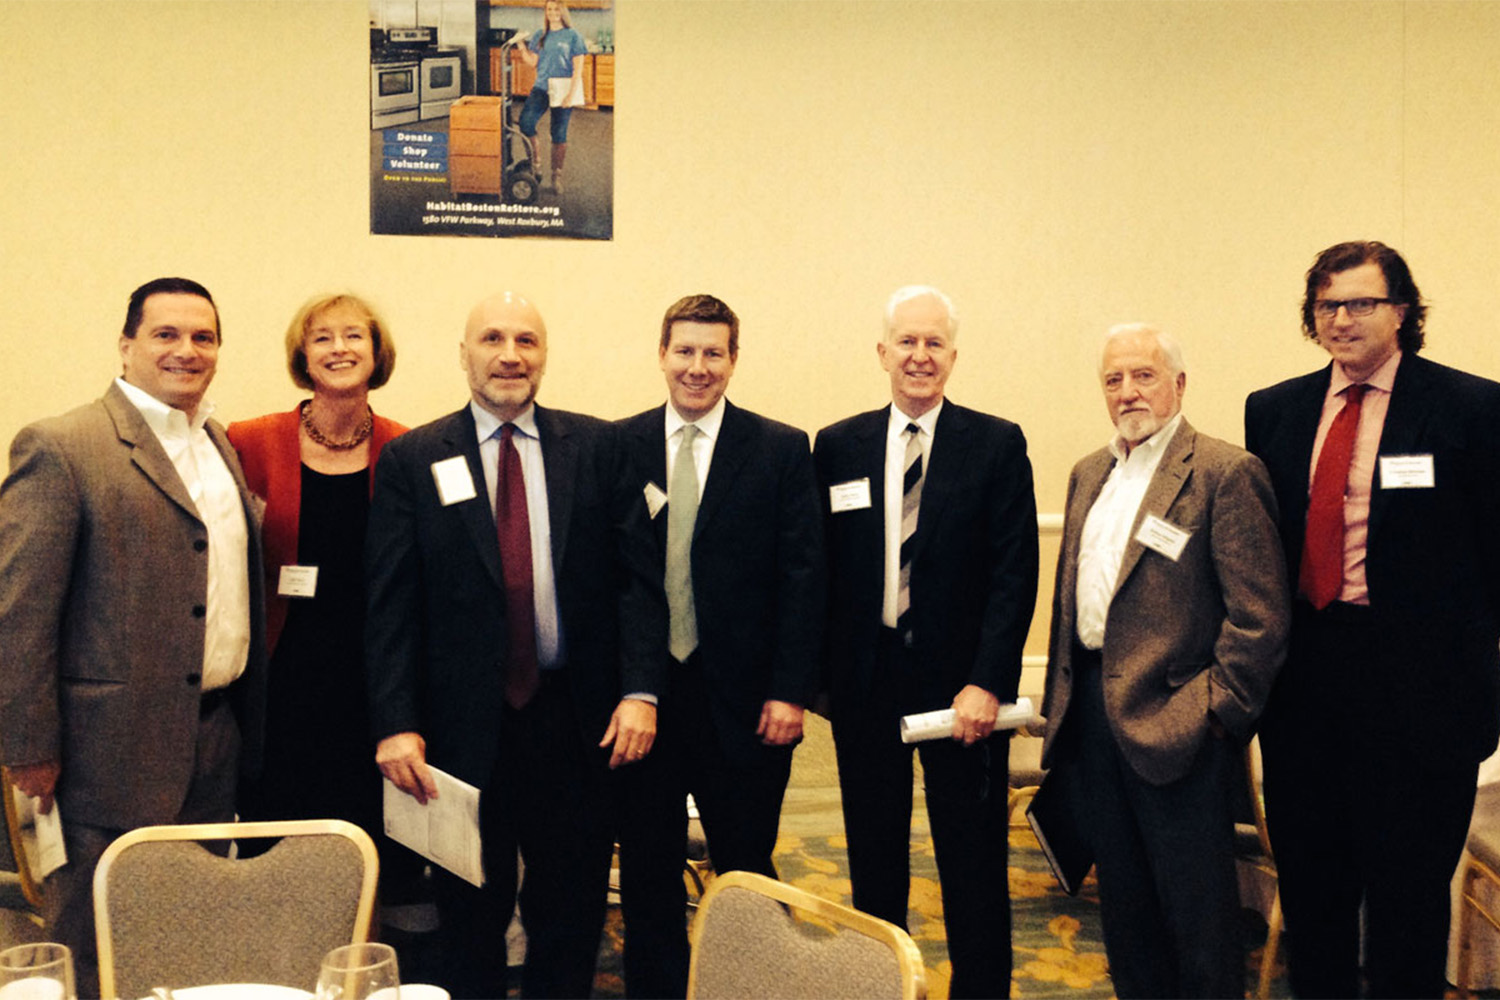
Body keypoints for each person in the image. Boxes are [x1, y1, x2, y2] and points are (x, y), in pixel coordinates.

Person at [366, 291, 665, 999]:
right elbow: (390, 607)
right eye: (492, 339)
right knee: (470, 913)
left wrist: (640, 691)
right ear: (463, 354)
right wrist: (395, 723)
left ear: (544, 355)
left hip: (576, 721)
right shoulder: (414, 458)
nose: (509, 355)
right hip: (458, 731)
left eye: (526, 341)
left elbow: (639, 586)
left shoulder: (598, 448)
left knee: (570, 908)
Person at [1245, 241, 1500, 998]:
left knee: (1406, 912)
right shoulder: (1276, 409)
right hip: (1306, 694)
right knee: (1316, 906)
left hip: (1421, 704)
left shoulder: (1473, 408)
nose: (1343, 319)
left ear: (1403, 311)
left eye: (1362, 303)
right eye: (1328, 305)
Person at [0, 277, 267, 996]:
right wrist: (27, 750)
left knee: (186, 945)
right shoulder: (62, 446)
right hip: (100, 758)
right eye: (166, 334)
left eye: (203, 337)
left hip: (212, 745)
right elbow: (19, 613)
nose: (186, 350)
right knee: (92, 952)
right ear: (126, 344)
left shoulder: (220, 444)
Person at [1040, 323, 1290, 998]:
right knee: (1122, 906)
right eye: (1114, 379)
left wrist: (1213, 715)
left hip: (1179, 721)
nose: (1128, 391)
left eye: (1143, 375)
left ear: (1179, 383)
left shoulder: (1223, 472)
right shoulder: (1088, 472)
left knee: (1197, 915)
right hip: (1094, 715)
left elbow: (1260, 617)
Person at [814, 285, 1039, 999]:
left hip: (962, 693)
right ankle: (882, 987)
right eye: (906, 342)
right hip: (867, 685)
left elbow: (1015, 574)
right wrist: (823, 680)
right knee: (873, 859)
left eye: (934, 343)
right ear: (881, 352)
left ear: (952, 356)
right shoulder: (838, 444)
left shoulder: (996, 444)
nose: (919, 355)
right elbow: (820, 570)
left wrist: (988, 681)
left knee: (971, 863)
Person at [615, 294, 825, 998]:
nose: (697, 368)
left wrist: (791, 690)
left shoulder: (780, 449)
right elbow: (613, 580)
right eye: (685, 351)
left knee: (744, 870)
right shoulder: (621, 446)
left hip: (749, 705)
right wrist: (629, 689)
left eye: (713, 353)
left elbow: (805, 581)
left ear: (733, 360)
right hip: (648, 702)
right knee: (648, 868)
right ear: (662, 354)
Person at [226, 294, 406, 848]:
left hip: (372, 680)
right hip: (280, 679)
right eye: (322, 337)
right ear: (302, 355)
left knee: (366, 839)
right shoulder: (248, 441)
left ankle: (361, 937)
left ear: (377, 352)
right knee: (277, 838)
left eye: (354, 335)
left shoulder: (407, 448)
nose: (339, 348)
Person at [517, 0, 588, 194]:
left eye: (556, 9)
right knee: (525, 123)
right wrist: (521, 46)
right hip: (541, 88)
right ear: (546, 12)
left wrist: (570, 96)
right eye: (549, 9)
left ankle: (556, 177)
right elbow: (532, 63)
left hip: (563, 90)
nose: (552, 12)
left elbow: (578, 69)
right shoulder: (541, 35)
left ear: (562, 11)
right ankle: (536, 165)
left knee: (558, 134)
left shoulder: (573, 36)